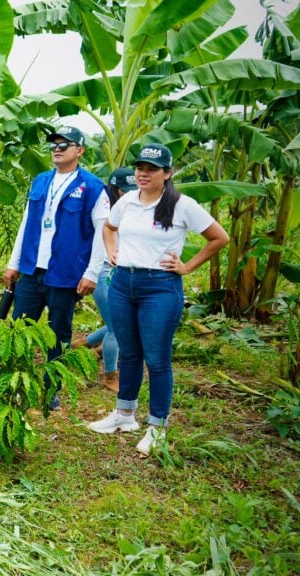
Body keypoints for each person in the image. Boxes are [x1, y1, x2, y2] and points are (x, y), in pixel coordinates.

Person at [88, 144, 228, 455]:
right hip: (124, 282)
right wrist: (111, 251)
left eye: (152, 169)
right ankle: (124, 415)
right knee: (130, 354)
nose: (143, 174)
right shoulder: (127, 204)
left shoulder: (182, 205)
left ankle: (157, 427)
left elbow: (219, 237)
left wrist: (187, 266)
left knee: (157, 358)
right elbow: (109, 229)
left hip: (160, 287)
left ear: (167, 173)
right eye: (140, 168)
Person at [4, 126, 109, 409]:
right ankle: (16, 385)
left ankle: (52, 390)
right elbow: (27, 223)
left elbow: (103, 232)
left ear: (80, 151)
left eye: (65, 144)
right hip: (31, 269)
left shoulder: (92, 187)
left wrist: (91, 272)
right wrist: (14, 263)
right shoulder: (40, 181)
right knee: (19, 330)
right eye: (54, 144)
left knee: (59, 334)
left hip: (65, 273)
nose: (58, 149)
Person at [74, 167, 136, 392]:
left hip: (116, 272)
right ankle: (111, 375)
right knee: (118, 326)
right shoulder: (104, 210)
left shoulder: (131, 209)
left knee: (120, 322)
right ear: (115, 189)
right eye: (124, 190)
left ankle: (82, 344)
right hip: (101, 272)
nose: (129, 194)